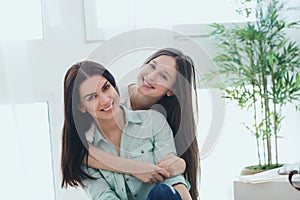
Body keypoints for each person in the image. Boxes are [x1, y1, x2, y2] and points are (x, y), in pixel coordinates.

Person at [61, 61, 191, 199]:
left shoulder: (153, 122)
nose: (105, 100)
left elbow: (173, 180)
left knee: (163, 192)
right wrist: (135, 168)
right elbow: (104, 197)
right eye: (92, 97)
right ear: (81, 107)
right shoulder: (84, 152)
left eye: (106, 88)